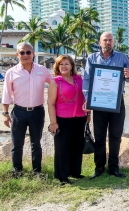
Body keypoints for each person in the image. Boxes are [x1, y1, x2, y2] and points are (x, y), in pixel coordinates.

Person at [83, 32, 129, 179]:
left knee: (115, 135)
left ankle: (113, 167)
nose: (108, 42)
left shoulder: (121, 57)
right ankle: (99, 167)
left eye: (110, 40)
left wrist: (128, 74)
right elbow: (87, 80)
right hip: (98, 102)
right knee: (99, 136)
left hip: (117, 101)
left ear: (114, 42)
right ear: (100, 42)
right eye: (105, 40)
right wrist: (88, 99)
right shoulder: (92, 58)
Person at [2, 42, 53, 177]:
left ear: (33, 53)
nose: (25, 55)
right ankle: (17, 171)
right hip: (19, 112)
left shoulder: (42, 70)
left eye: (28, 52)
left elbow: (55, 84)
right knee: (17, 144)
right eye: (22, 52)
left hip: (37, 112)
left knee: (36, 143)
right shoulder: (11, 73)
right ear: (17, 54)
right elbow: (6, 94)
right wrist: (6, 114)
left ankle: (37, 172)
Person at [48, 55, 88, 185]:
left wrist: (88, 114)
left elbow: (85, 97)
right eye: (61, 64)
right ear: (57, 67)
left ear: (72, 66)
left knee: (77, 146)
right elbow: (50, 103)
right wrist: (53, 123)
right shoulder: (55, 82)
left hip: (80, 117)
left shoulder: (79, 79)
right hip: (62, 119)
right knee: (62, 147)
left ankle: (75, 172)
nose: (64, 66)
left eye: (67, 64)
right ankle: (62, 176)